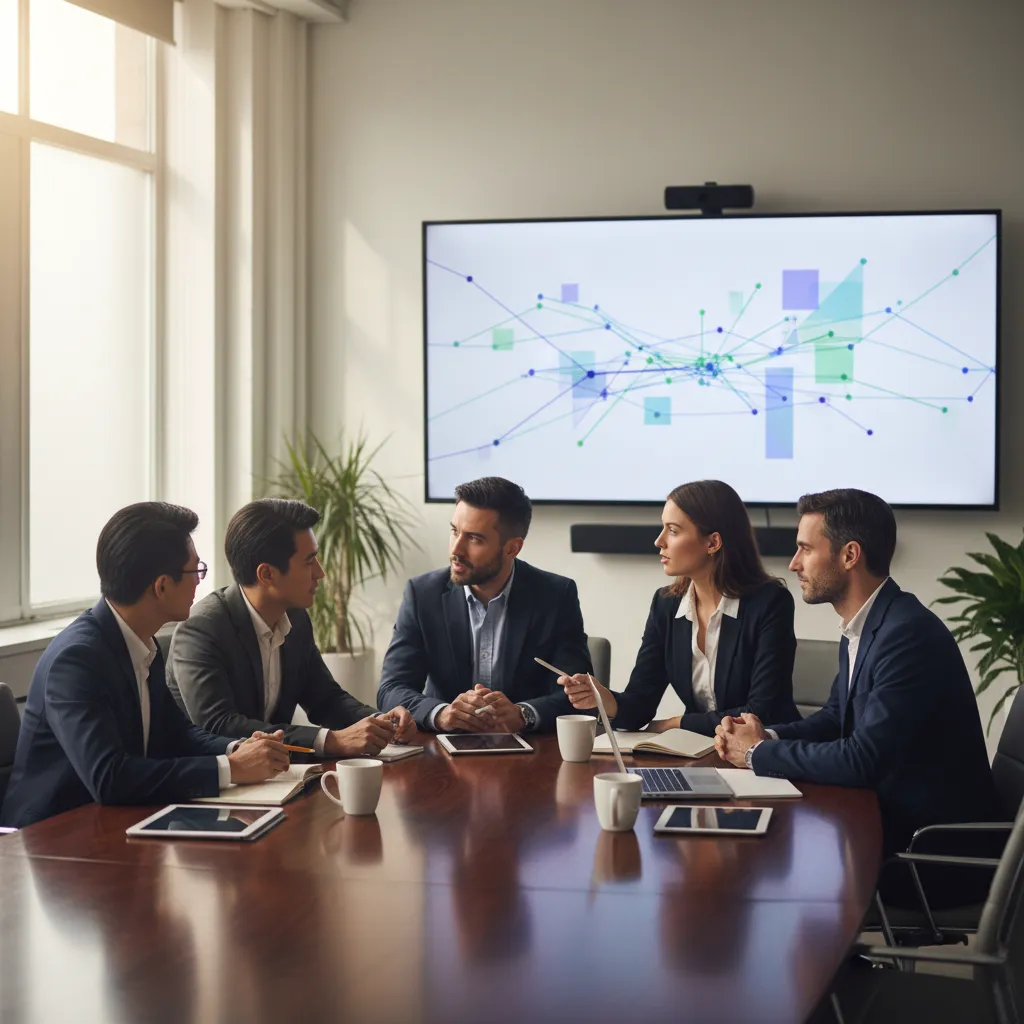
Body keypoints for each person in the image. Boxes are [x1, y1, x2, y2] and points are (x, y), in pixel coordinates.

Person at [714, 488, 1000, 904]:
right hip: (890, 828)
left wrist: (756, 753)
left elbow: (863, 760)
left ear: (849, 555)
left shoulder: (906, 635)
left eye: (805, 549)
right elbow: (835, 718)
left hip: (926, 857)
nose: (794, 564)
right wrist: (767, 737)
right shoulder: (868, 625)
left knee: (758, 867)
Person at [1, 503, 288, 829]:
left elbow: (176, 734)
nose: (199, 582)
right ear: (161, 586)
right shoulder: (77, 660)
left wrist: (239, 748)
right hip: (46, 842)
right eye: (196, 571)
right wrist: (231, 768)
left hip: (113, 825)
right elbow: (110, 776)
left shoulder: (143, 642)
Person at [166, 499, 415, 757]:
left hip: (273, 778)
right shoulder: (202, 628)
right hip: (210, 782)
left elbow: (325, 699)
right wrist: (330, 740)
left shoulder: (295, 618)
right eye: (309, 562)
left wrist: (379, 721)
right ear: (267, 575)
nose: (320, 573)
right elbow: (220, 725)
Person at [559, 480, 799, 737]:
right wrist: (602, 698)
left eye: (673, 530)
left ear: (712, 542)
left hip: (765, 752)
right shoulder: (666, 604)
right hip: (700, 751)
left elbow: (761, 712)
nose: (659, 541)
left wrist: (676, 723)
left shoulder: (770, 602)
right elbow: (640, 702)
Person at [377, 476, 592, 733]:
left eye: (474, 539)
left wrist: (524, 714)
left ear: (512, 548)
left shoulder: (556, 595)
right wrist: (441, 713)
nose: (456, 549)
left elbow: (580, 696)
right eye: (454, 531)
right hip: (442, 754)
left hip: (531, 754)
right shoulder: (423, 594)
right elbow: (391, 689)